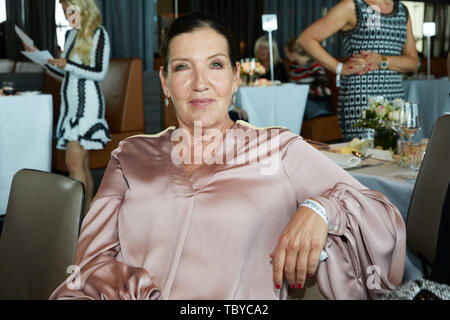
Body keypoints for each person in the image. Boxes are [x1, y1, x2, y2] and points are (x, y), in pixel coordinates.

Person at [49, 12, 406, 300]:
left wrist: (320, 210)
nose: (200, 82)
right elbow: (91, 263)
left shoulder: (277, 149)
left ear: (236, 77)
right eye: (183, 67)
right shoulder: (129, 157)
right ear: (164, 82)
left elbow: (381, 216)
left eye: (216, 65)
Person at [24, 0, 111, 210]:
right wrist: (42, 60)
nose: (65, 14)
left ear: (82, 7)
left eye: (68, 9)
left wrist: (68, 64)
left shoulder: (98, 34)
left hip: (88, 106)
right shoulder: (70, 35)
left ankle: (77, 218)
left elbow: (100, 72)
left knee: (72, 164)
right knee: (81, 165)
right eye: (63, 10)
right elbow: (66, 75)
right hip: (71, 107)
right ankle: (87, 218)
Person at [298, 0, 418, 141]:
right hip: (361, 97)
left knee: (394, 154)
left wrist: (382, 61)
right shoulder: (353, 5)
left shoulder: (402, 11)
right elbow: (306, 39)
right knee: (363, 154)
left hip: (395, 97)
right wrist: (339, 67)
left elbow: (413, 62)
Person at [285, 38, 333, 120]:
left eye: (287, 53)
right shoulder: (294, 67)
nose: (286, 55)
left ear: (293, 54)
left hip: (317, 105)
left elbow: (326, 90)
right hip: (300, 105)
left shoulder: (315, 67)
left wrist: (304, 90)